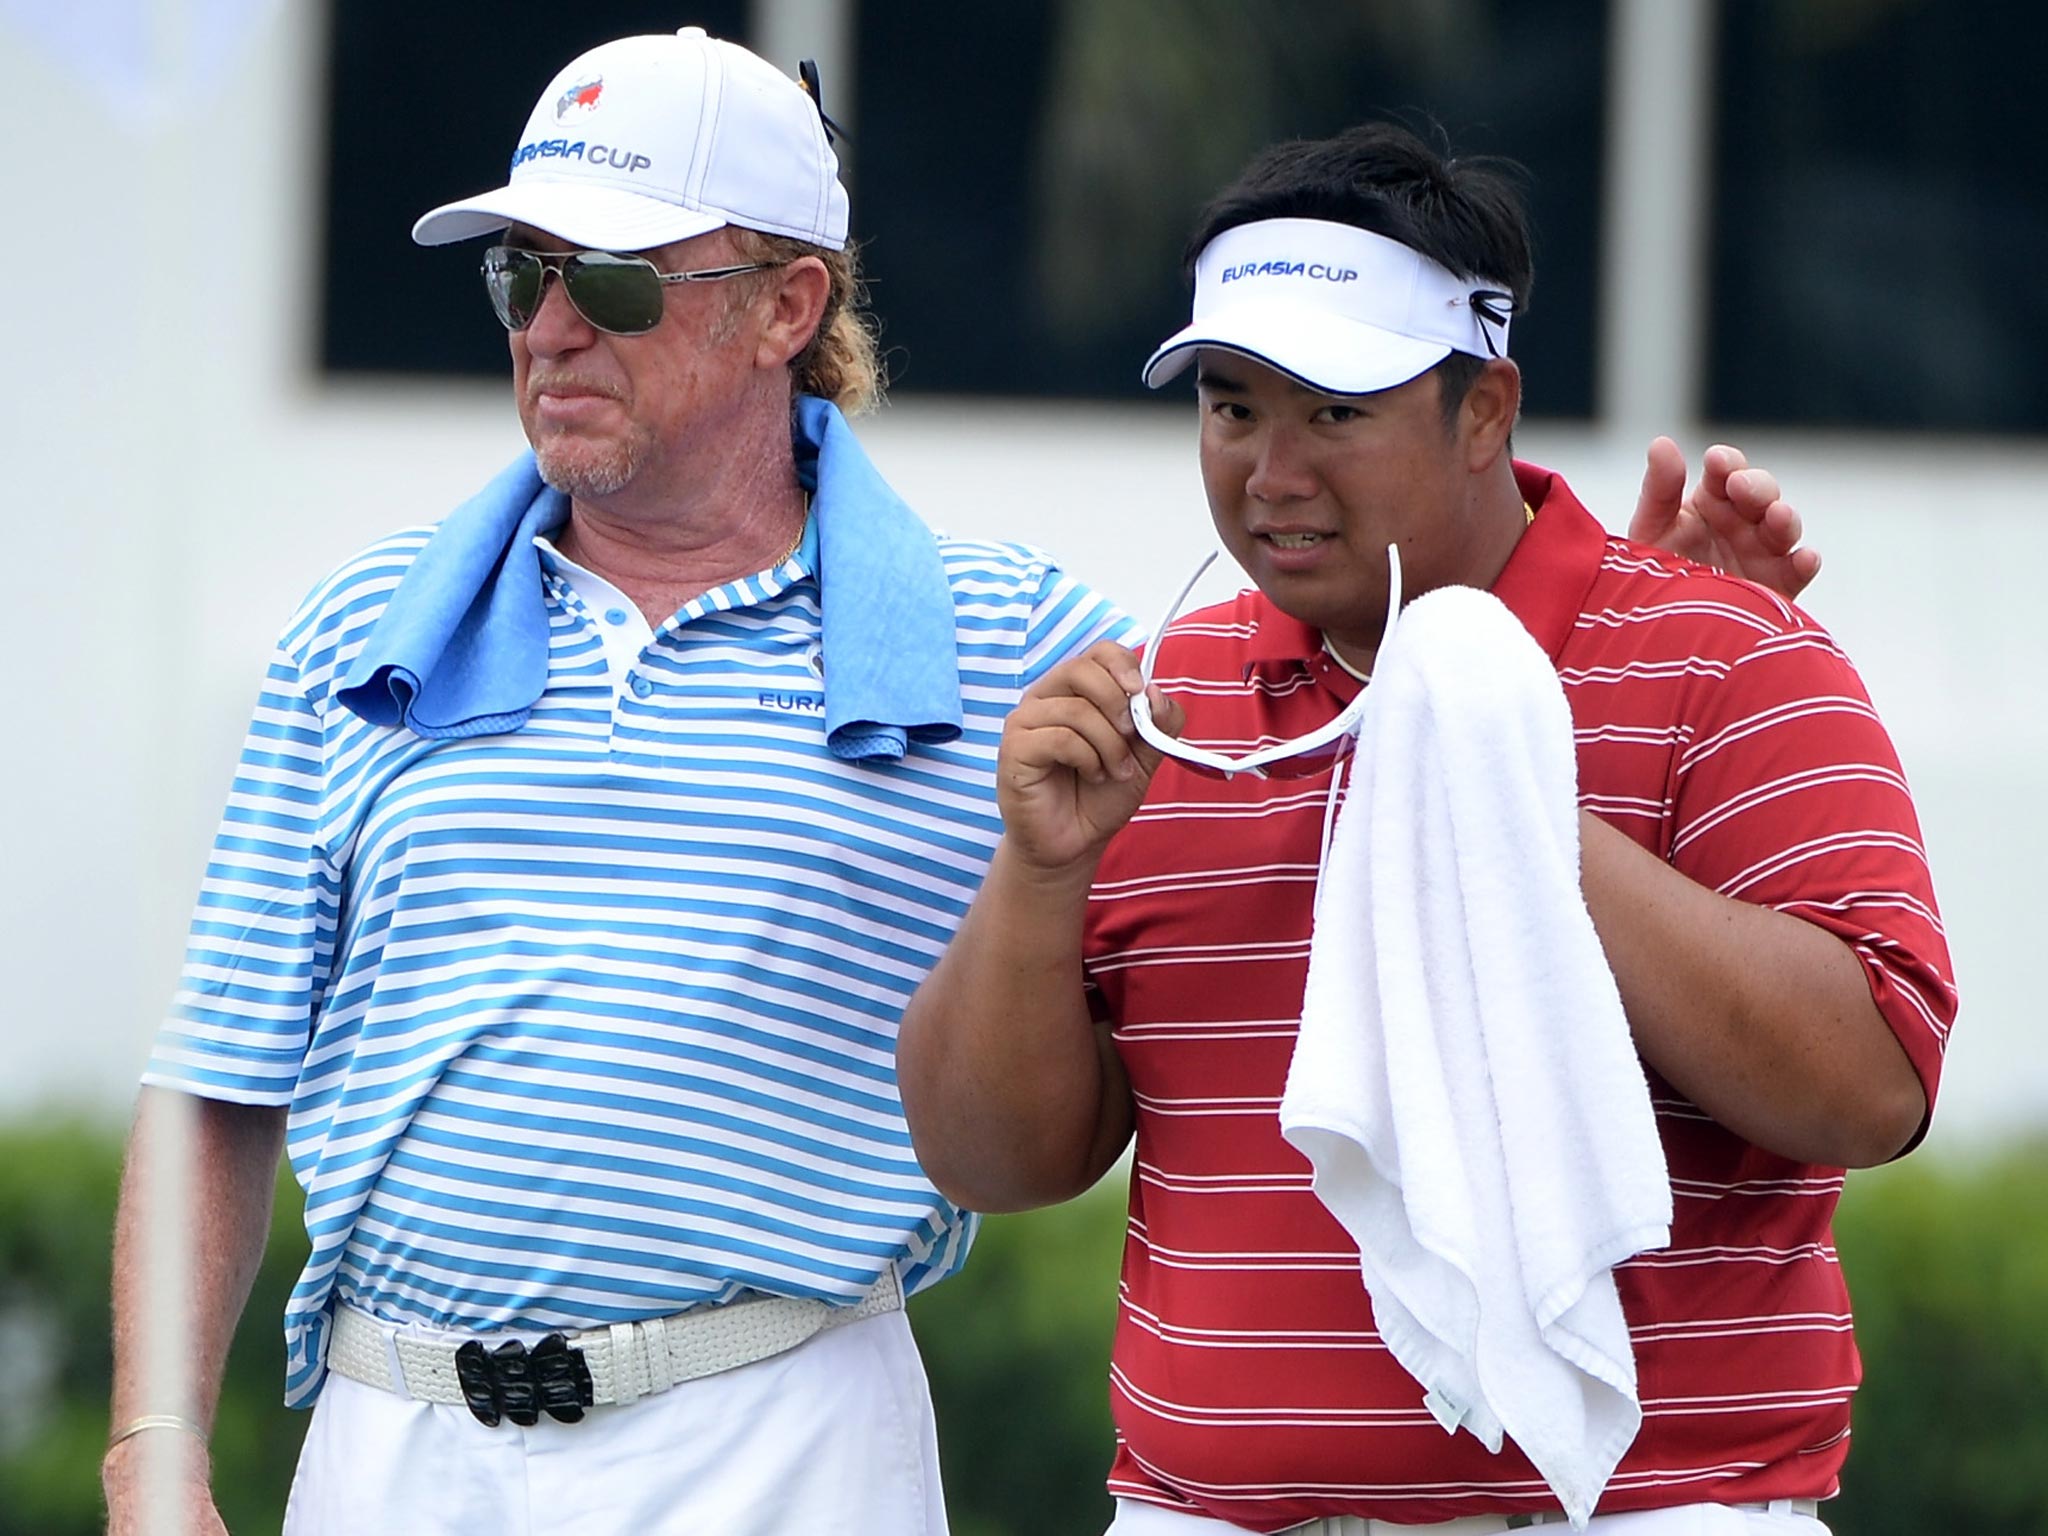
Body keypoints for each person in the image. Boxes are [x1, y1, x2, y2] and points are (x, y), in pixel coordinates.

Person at [101, 28, 1817, 1535]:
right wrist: (154, 1461)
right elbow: (221, 1083)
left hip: (780, 1441)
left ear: (788, 306)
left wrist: (1581, 640)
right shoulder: (359, 629)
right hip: (393, 1452)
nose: (550, 328)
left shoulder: (1020, 640)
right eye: (519, 277)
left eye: (612, 280)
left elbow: (1350, 755)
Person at [898, 123, 1954, 1535]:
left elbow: (1875, 1084)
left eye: (1335, 412)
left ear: (1483, 411)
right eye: (1229, 406)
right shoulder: (1167, 699)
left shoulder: (1724, 655)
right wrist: (1039, 876)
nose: (1270, 471)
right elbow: (995, 1163)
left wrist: (1505, 801)